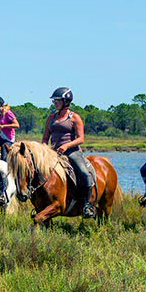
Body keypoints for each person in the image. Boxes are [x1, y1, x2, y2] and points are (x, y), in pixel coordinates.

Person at [43, 87, 96, 219]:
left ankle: (87, 204)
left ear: (66, 102)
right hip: (53, 153)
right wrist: (44, 149)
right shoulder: (50, 118)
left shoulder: (74, 118)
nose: (54, 103)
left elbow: (81, 139)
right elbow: (45, 138)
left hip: (72, 152)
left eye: (57, 101)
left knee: (83, 173)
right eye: (54, 101)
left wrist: (66, 146)